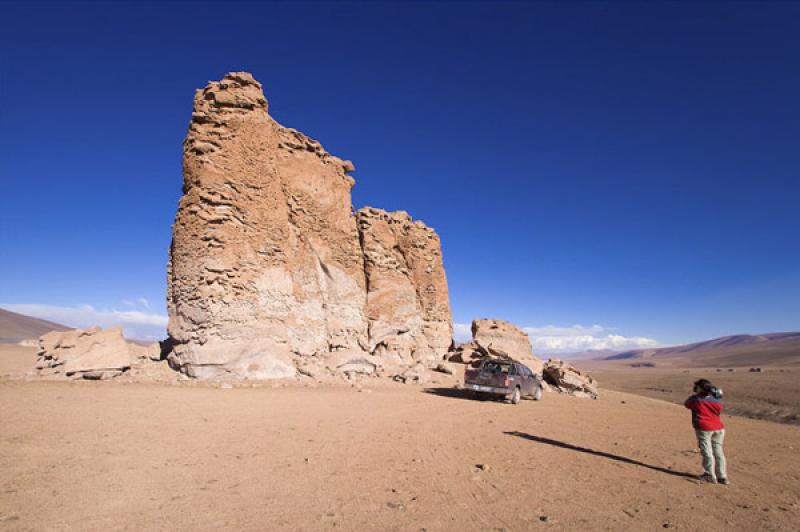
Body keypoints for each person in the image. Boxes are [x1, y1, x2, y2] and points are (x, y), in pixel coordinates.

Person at [684, 379, 728, 484]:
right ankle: (722, 476)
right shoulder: (715, 399)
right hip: (719, 428)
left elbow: (687, 404)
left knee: (707, 451)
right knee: (718, 452)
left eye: (697, 387)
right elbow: (719, 409)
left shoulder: (696, 399)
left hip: (704, 428)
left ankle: (709, 474)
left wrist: (697, 395)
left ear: (700, 388)